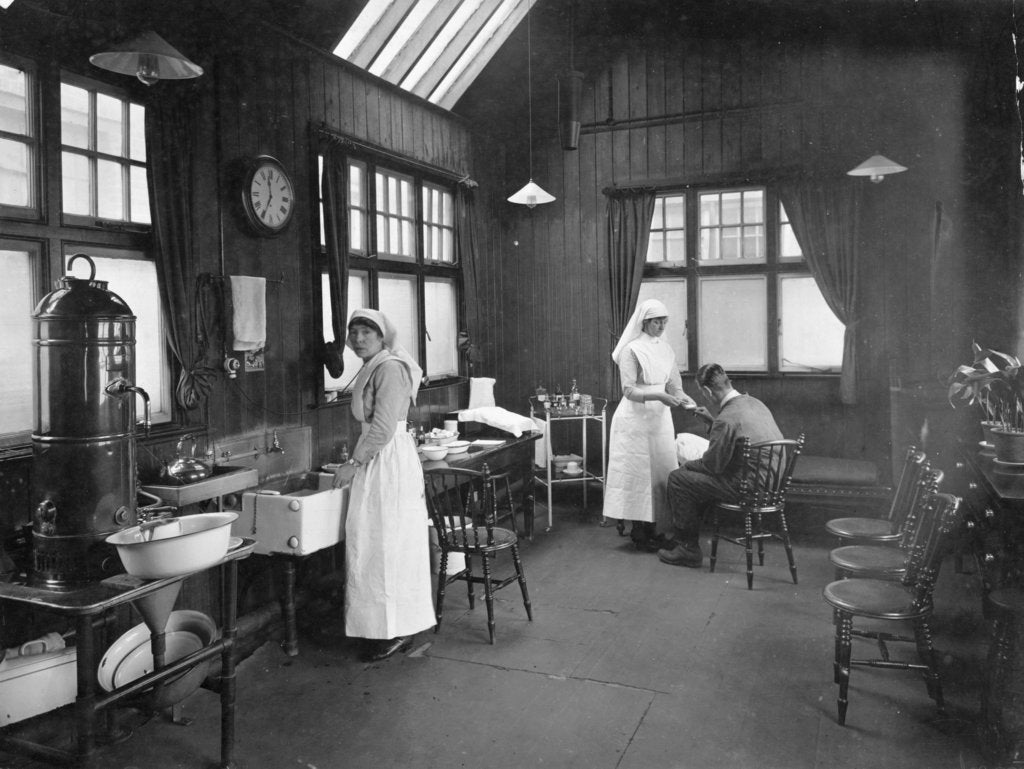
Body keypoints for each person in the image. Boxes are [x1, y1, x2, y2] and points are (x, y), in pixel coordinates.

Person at [331, 309, 436, 661]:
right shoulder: (373, 365)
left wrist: (352, 463)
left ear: (382, 336)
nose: (359, 339)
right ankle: (381, 627)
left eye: (367, 333)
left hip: (387, 459)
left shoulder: (389, 368)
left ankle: (396, 629)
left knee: (388, 544)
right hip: (380, 457)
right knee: (376, 542)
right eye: (354, 332)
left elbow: (383, 428)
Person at [659, 363, 783, 568]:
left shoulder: (726, 419)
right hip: (772, 483)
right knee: (689, 476)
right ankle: (684, 538)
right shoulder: (754, 402)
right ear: (728, 381)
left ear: (707, 391)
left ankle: (688, 548)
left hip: (748, 488)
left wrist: (688, 465)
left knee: (678, 478)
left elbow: (712, 465)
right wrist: (712, 422)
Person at [603, 299, 697, 552]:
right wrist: (660, 397)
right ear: (645, 322)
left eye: (665, 321)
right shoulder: (631, 350)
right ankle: (639, 532)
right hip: (635, 419)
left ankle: (656, 529)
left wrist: (686, 399)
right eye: (657, 321)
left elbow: (674, 384)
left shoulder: (665, 349)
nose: (662, 326)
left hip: (659, 419)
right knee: (637, 473)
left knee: (660, 472)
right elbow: (629, 390)